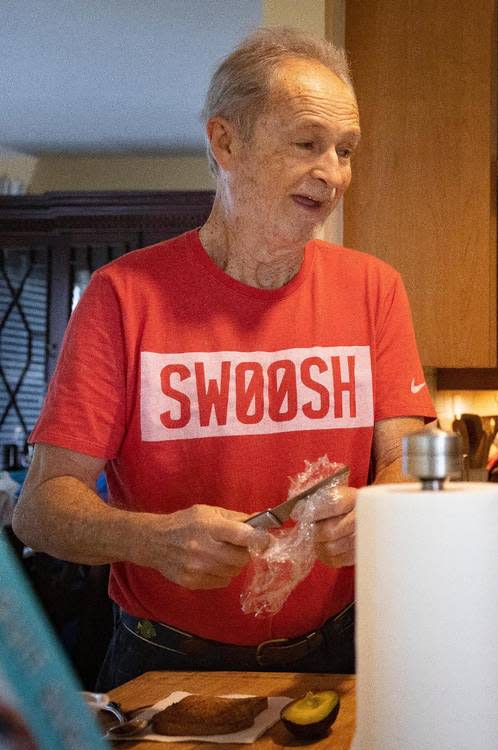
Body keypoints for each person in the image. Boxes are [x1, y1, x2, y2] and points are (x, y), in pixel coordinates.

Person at [12, 27, 436, 689]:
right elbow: (40, 508)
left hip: (339, 656)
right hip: (165, 664)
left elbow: (406, 452)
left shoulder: (373, 289)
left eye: (345, 150)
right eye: (307, 143)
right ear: (226, 142)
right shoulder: (122, 295)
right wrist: (148, 540)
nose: (333, 173)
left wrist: (384, 509)